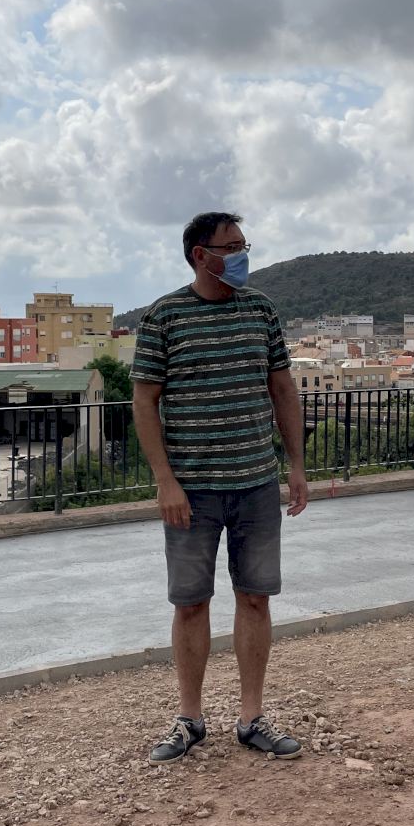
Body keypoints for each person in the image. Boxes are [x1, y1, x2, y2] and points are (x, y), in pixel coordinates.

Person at [132, 211, 309, 764]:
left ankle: (252, 718)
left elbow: (283, 389)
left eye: (243, 244)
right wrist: (165, 482)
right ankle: (189, 718)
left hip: (256, 483)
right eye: (231, 246)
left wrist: (296, 464)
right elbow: (144, 402)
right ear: (199, 255)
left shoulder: (261, 310)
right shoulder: (164, 316)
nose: (241, 254)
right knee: (191, 603)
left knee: (255, 598)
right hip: (192, 491)